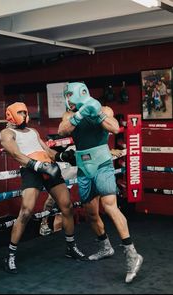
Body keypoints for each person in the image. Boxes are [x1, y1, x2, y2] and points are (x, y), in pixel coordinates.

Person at [57, 82, 143, 284]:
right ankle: (105, 247)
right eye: (66, 96)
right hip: (84, 168)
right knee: (91, 213)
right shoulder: (69, 115)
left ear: (80, 93)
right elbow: (62, 131)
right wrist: (80, 114)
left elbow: (115, 127)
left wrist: (94, 113)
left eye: (70, 95)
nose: (68, 99)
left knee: (110, 206)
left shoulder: (103, 108)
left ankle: (132, 254)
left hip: (102, 164)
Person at [0, 101, 87, 274]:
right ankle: (10, 254)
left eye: (26, 112)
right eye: (22, 113)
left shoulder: (33, 131)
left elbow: (48, 151)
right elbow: (16, 154)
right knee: (26, 211)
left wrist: (64, 156)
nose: (26, 116)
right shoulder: (6, 133)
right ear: (12, 115)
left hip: (49, 167)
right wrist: (38, 166)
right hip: (31, 170)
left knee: (67, 206)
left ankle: (70, 247)